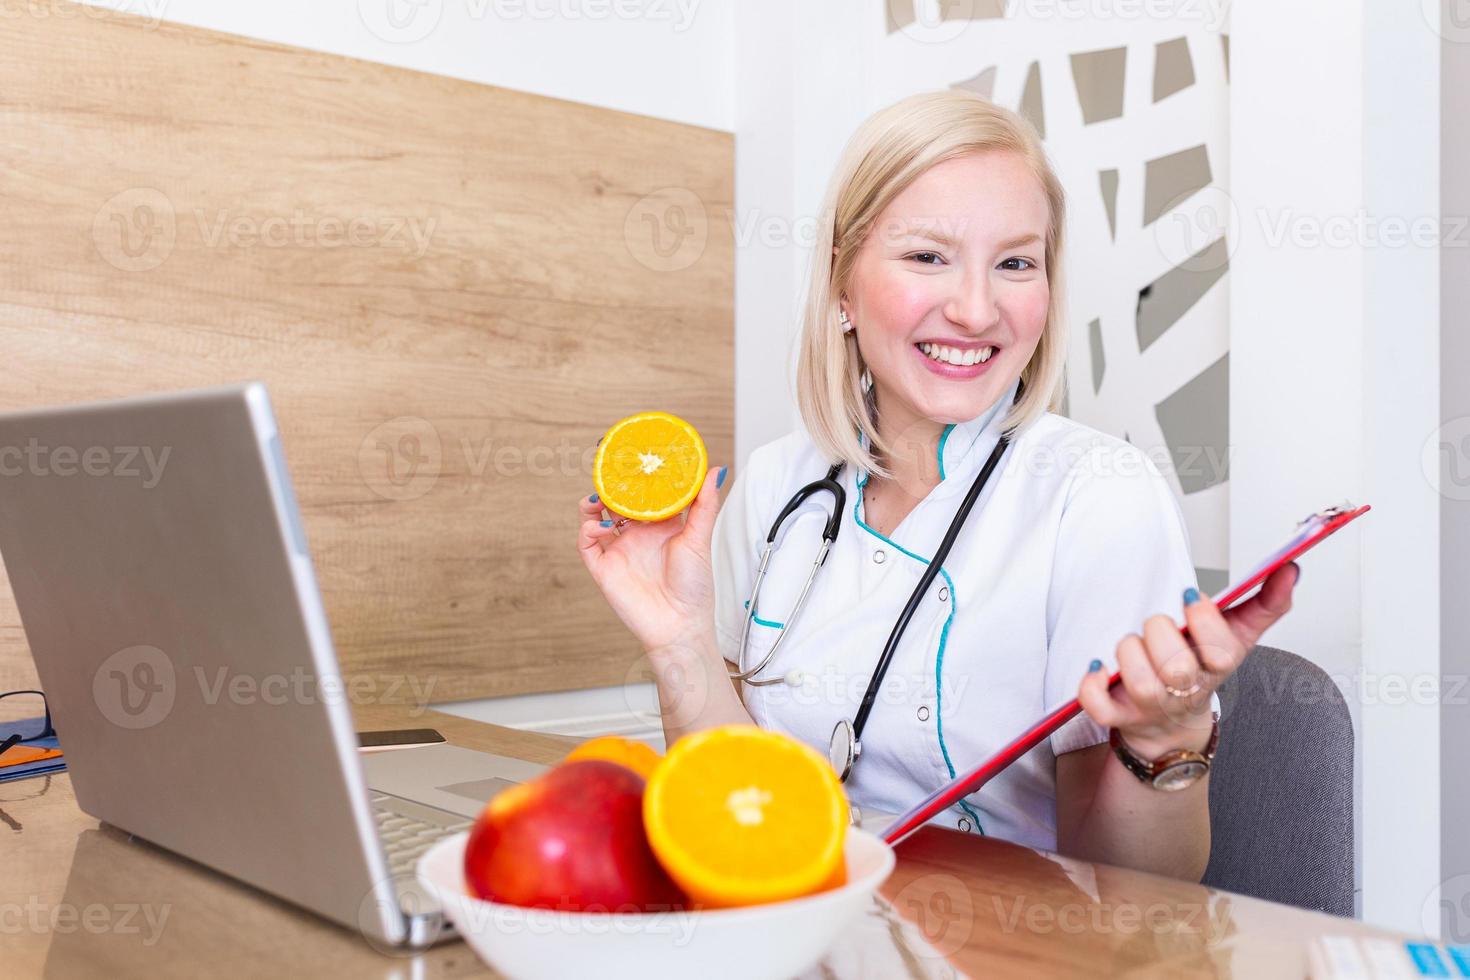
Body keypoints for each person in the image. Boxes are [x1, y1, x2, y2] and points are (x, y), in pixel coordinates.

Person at [576, 90, 1298, 881]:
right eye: (928, 256)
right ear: (843, 286)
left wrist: (1167, 738)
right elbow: (736, 811)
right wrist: (679, 642)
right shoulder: (778, 483)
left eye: (1016, 263)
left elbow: (1137, 896)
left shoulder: (1097, 497)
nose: (977, 308)